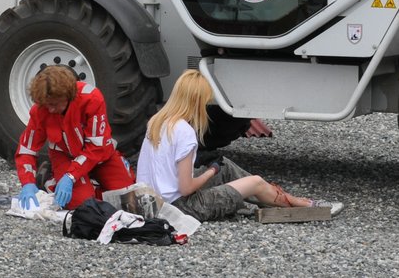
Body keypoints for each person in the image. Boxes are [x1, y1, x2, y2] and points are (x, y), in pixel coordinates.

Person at [136, 71, 341, 221]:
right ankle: (302, 206)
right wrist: (210, 172)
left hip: (151, 203)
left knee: (224, 165)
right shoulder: (185, 132)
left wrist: (214, 168)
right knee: (255, 182)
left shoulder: (157, 122)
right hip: (183, 208)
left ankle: (283, 199)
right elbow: (185, 188)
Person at [14, 65, 135, 211]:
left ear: (67, 96)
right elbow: (26, 150)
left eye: (54, 104)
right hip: (65, 157)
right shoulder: (40, 109)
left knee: (128, 198)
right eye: (47, 105)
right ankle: (50, 181)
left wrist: (71, 176)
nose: (50, 110)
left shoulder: (92, 99)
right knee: (83, 205)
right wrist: (27, 182)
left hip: (101, 156)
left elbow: (97, 148)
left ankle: (88, 184)